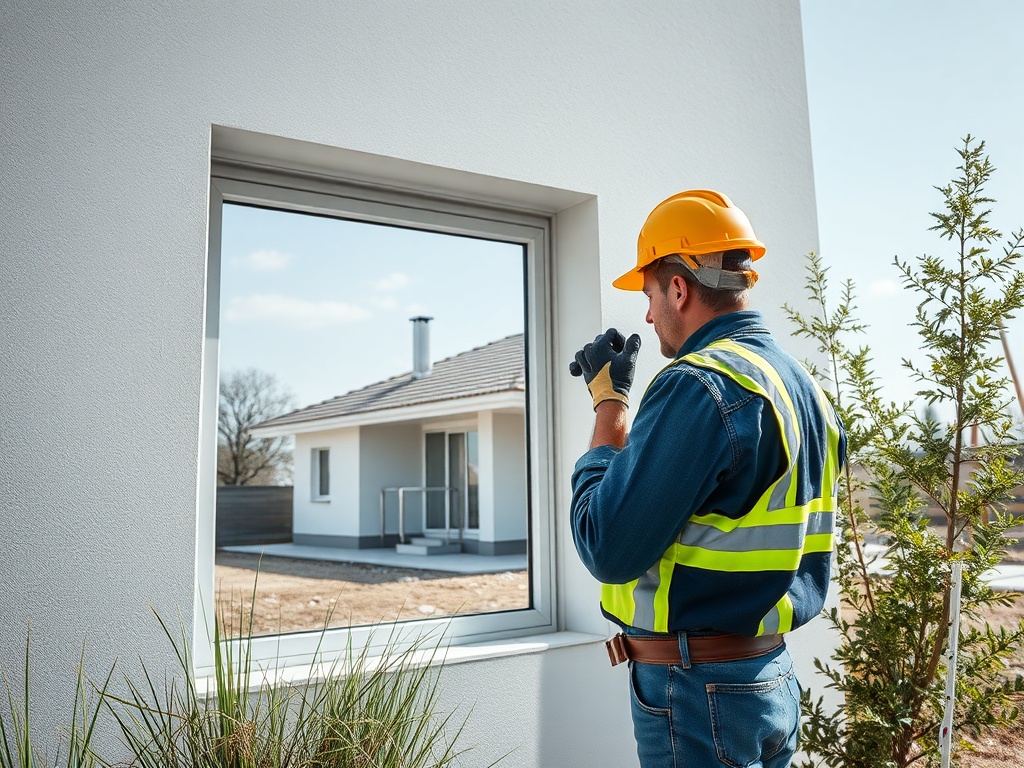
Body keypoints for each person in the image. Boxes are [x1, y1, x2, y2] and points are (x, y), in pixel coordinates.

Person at [569, 189, 846, 768]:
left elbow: (607, 545)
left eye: (649, 295)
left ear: (679, 288)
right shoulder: (804, 389)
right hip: (768, 676)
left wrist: (609, 405)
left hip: (699, 691)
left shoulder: (700, 384)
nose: (649, 316)